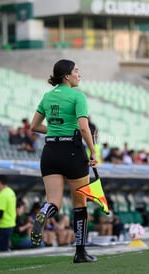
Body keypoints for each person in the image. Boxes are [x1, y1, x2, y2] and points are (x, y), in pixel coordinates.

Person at [29, 59, 98, 263]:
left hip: (50, 151)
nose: (79, 74)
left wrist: (57, 131)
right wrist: (93, 152)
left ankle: (43, 213)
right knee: (80, 204)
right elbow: (84, 128)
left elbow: (34, 126)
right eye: (76, 71)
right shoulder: (78, 96)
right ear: (67, 76)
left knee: (54, 202)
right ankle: (80, 252)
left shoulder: (47, 96)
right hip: (72, 151)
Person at [0, 175, 16, 252]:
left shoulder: (2, 195)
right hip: (11, 223)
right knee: (5, 248)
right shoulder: (11, 192)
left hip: (3, 225)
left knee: (1, 249)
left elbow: (0, 213)